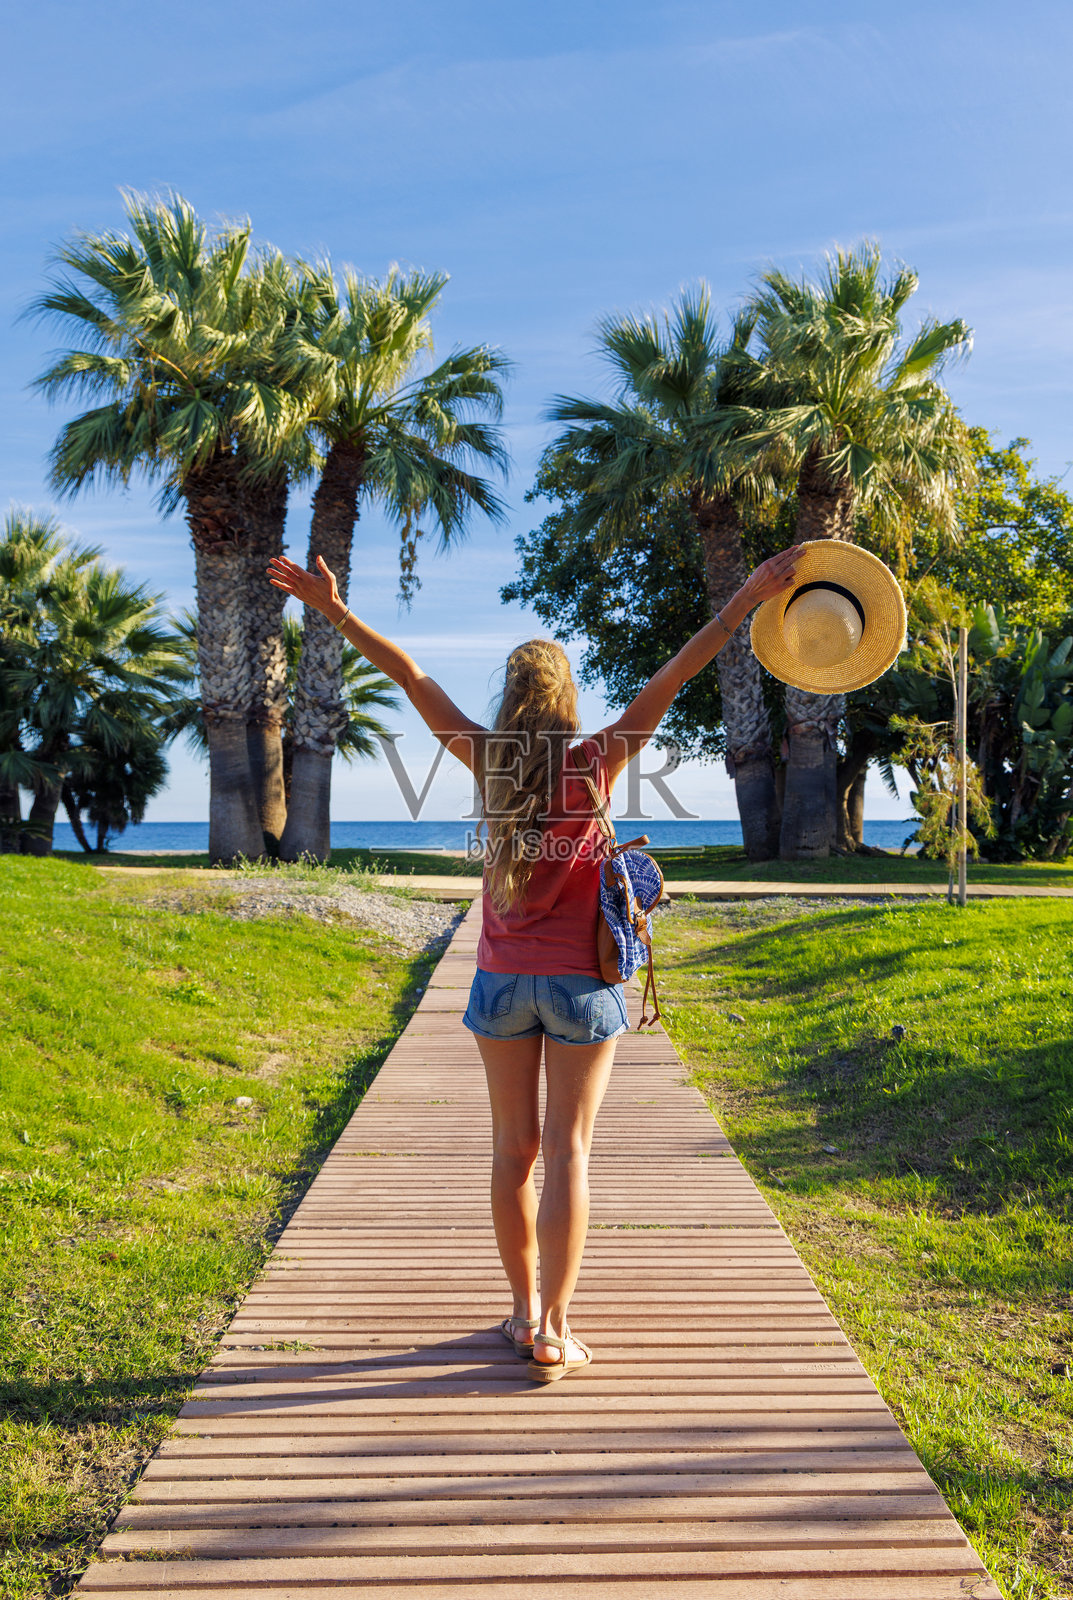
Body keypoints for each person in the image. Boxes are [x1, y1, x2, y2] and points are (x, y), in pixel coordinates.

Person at [267, 544, 800, 1381]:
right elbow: (679, 667)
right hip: (584, 986)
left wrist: (332, 609)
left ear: (511, 699)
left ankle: (520, 1314)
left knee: (511, 1151)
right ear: (566, 699)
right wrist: (747, 594)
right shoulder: (598, 759)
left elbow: (408, 677)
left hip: (499, 984)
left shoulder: (487, 760)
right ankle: (555, 1327)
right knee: (569, 1153)